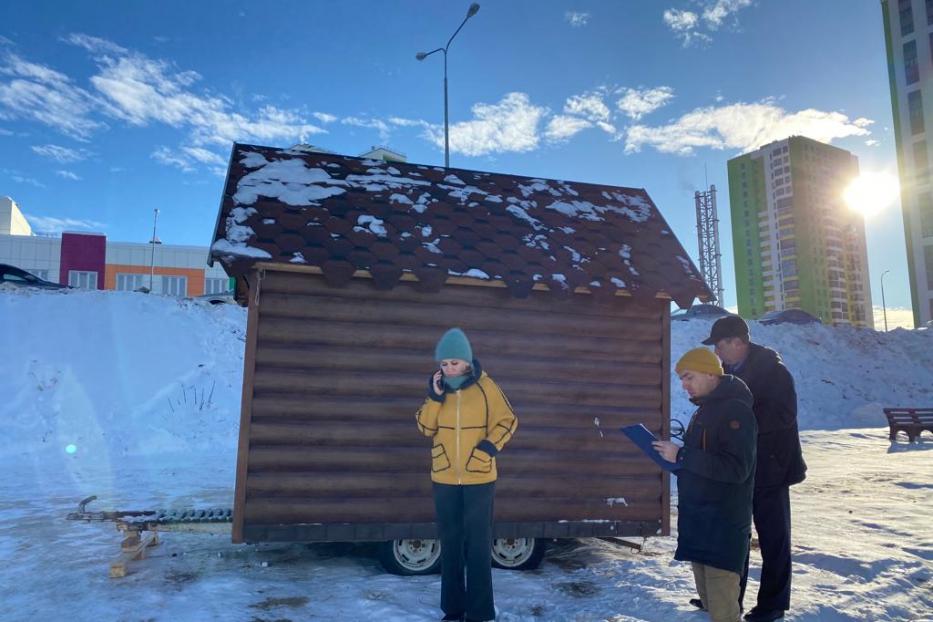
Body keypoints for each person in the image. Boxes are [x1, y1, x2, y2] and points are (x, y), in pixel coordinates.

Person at [702, 315, 807, 622]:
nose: (717, 353)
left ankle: (773, 604)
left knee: (774, 537)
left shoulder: (773, 371)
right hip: (738, 467)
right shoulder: (725, 373)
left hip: (771, 467)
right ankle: (729, 599)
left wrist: (738, 423)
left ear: (739, 342)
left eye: (720, 345)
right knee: (734, 535)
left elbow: (784, 415)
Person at [415, 327, 517, 622]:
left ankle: (480, 612)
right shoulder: (438, 391)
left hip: (479, 479)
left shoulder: (487, 388)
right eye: (444, 364)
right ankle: (453, 610)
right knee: (450, 545)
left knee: (478, 546)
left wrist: (487, 449)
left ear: (467, 361)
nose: (449, 368)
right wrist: (434, 398)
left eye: (454, 363)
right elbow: (424, 428)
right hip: (444, 477)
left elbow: (508, 421)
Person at [654, 347, 757, 622]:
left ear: (711, 373)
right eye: (681, 379)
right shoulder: (703, 412)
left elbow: (737, 469)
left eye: (689, 377)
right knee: (710, 606)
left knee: (724, 613)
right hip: (700, 523)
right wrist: (675, 462)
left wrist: (683, 455)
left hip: (722, 528)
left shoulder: (736, 411)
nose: (684, 385)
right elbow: (702, 465)